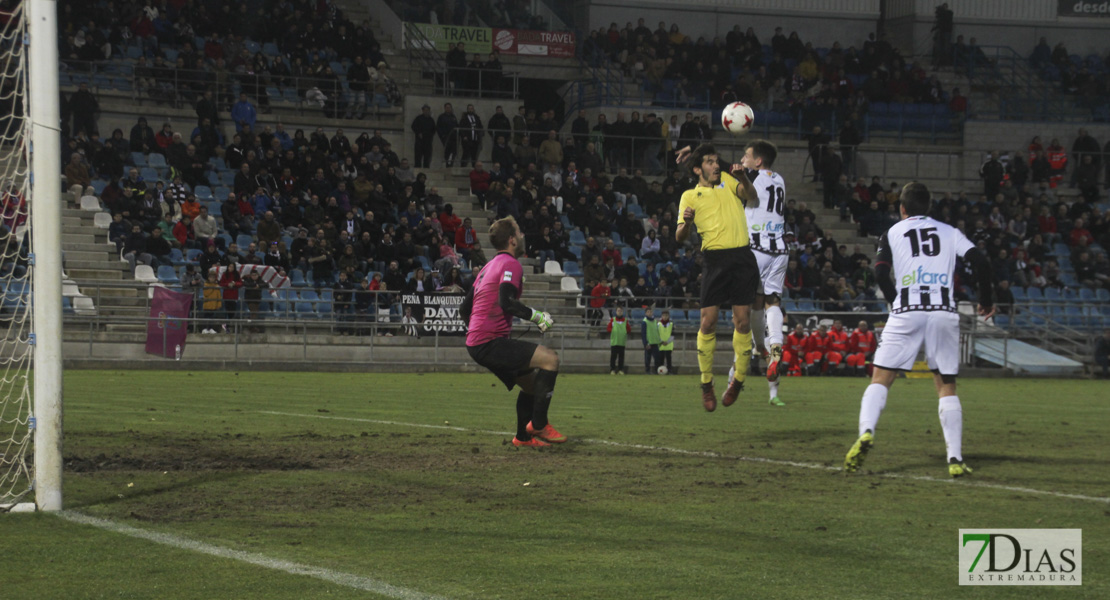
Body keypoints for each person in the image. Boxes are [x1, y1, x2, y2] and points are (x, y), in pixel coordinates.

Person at [844, 182, 995, 478]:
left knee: (881, 377)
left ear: (902, 208)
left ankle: (866, 432)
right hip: (943, 310)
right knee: (946, 384)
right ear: (928, 208)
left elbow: (879, 273)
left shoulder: (892, 232)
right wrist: (986, 300)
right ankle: (954, 457)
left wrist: (894, 301)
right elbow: (982, 262)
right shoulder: (950, 232)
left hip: (907, 309)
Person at [460, 217, 566, 448]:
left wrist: (478, 331)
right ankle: (538, 424)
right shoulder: (511, 264)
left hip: (478, 343)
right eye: (519, 232)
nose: (522, 236)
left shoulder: (488, 267)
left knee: (531, 385)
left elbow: (464, 309)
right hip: (489, 342)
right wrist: (537, 316)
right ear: (512, 240)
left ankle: (522, 437)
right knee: (550, 360)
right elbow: (506, 301)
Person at [675, 143, 760, 411]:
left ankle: (738, 380)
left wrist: (744, 176)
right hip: (714, 260)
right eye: (710, 162)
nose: (716, 165)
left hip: (743, 257)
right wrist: (687, 223)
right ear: (698, 169)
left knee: (742, 322)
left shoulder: (729, 179)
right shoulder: (689, 195)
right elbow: (679, 237)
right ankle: (706, 383)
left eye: (716, 161)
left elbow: (752, 196)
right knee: (707, 323)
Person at [732, 140, 788, 406]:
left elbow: (750, 194)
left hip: (756, 248)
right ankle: (773, 350)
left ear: (758, 162)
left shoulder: (753, 176)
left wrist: (741, 176)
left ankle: (756, 351)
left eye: (746, 156)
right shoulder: (779, 180)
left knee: (748, 308)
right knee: (772, 301)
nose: (743, 160)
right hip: (780, 248)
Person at [606, 306, 632, 374]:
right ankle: (612, 369)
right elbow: (608, 328)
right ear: (616, 312)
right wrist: (614, 331)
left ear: (622, 312)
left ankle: (620, 369)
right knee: (613, 357)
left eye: (620, 311)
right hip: (614, 341)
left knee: (621, 357)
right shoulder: (613, 320)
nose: (619, 312)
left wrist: (624, 332)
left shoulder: (625, 320)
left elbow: (629, 329)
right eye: (618, 311)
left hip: (622, 342)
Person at [641, 305, 661, 374]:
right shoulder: (644, 322)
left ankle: (656, 370)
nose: (649, 313)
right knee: (648, 358)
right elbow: (643, 333)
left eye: (650, 312)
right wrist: (645, 343)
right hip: (649, 343)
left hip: (655, 342)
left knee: (657, 358)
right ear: (646, 313)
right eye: (648, 312)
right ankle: (647, 370)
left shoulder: (655, 321)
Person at [657, 309, 674, 373]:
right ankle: (660, 371)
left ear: (668, 316)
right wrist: (661, 341)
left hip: (668, 345)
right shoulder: (658, 324)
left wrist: (667, 342)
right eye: (664, 315)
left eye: (666, 315)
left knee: (668, 359)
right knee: (660, 359)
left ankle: (669, 371)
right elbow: (657, 334)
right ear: (661, 316)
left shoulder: (671, 324)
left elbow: (673, 334)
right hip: (661, 344)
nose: (665, 317)